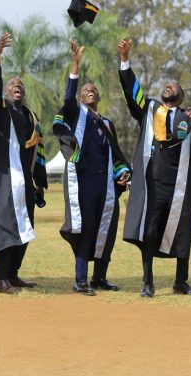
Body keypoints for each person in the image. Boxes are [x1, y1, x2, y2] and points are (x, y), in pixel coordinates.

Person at [118, 39, 191, 298]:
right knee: (149, 232)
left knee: (183, 232)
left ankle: (180, 282)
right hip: (153, 184)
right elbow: (132, 91)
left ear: (181, 95)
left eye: (173, 85)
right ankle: (148, 282)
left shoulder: (189, 118)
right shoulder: (149, 110)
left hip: (180, 187)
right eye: (165, 85)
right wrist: (125, 60)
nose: (167, 86)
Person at [53, 41, 131, 296]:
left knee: (105, 229)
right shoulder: (78, 115)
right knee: (86, 229)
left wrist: (122, 174)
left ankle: (100, 277)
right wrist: (75, 65)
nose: (90, 91)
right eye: (86, 89)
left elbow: (116, 154)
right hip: (84, 183)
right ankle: (80, 280)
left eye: (94, 89)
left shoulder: (107, 123)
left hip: (105, 185)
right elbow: (67, 97)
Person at [0, 33, 48, 294]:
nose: (17, 86)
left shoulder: (31, 117)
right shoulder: (0, 110)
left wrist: (40, 183)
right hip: (3, 179)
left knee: (25, 227)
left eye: (20, 84)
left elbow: (38, 152)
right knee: (5, 226)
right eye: (12, 84)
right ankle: (0, 278)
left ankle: (13, 273)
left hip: (26, 182)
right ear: (7, 92)